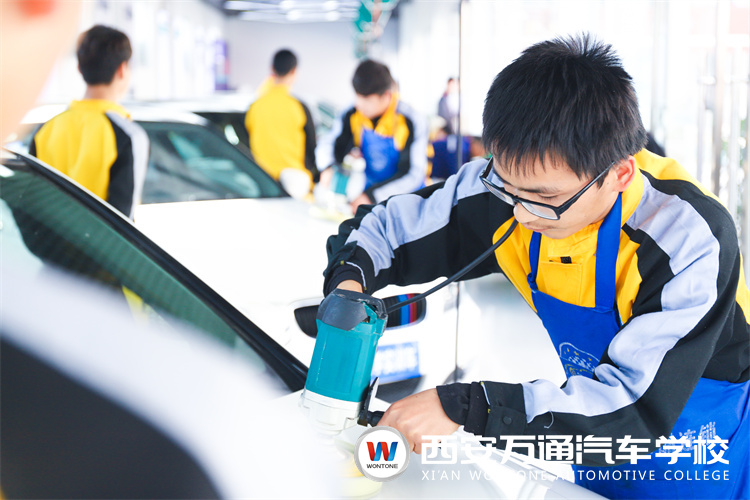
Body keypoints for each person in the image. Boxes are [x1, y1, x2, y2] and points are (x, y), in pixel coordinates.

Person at [322, 34, 749, 500]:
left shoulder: (686, 240)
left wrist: (468, 406)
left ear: (619, 174)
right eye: (508, 187)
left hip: (690, 442)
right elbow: (384, 229)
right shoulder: (510, 188)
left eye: (545, 198)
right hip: (590, 432)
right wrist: (349, 286)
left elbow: (634, 410)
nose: (522, 214)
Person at [29, 25, 148, 220]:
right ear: (122, 69)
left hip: (49, 239)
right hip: (98, 240)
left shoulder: (46, 129)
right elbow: (122, 221)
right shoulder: (129, 135)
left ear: (79, 67)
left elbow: (30, 201)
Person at [316, 59, 428, 211]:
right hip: (371, 196)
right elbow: (330, 142)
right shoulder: (353, 112)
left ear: (386, 95)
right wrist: (327, 166)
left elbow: (413, 174)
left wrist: (372, 196)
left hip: (408, 200)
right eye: (357, 96)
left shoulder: (411, 121)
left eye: (367, 99)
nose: (359, 104)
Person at [245, 49, 318, 188]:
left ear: (272, 69)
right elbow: (311, 149)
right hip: (295, 183)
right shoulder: (299, 107)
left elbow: (247, 141)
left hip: (261, 182)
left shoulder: (254, 107)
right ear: (294, 71)